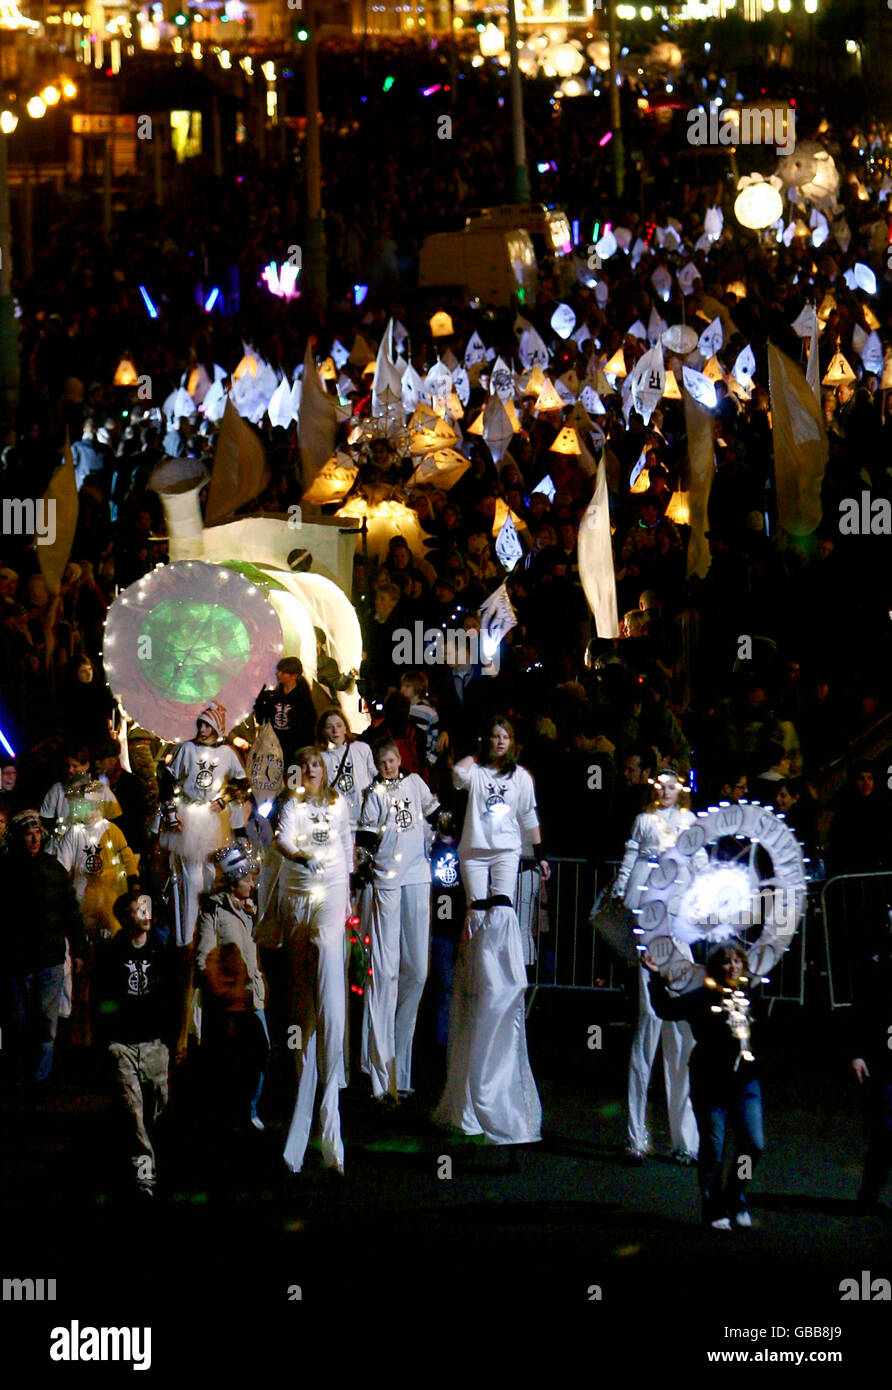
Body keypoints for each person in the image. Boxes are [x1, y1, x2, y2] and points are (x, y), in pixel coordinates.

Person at [433, 716, 548, 1146]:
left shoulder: (522, 777)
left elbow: (528, 817)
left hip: (505, 850)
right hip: (474, 850)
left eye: (504, 737)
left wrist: (538, 855)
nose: (499, 742)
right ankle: (477, 966)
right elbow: (457, 774)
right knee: (478, 913)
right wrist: (475, 749)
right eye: (493, 736)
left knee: (502, 911)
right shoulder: (477, 771)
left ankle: (501, 969)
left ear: (513, 743)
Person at [613, 765, 699, 1165]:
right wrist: (619, 891)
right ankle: (636, 1136)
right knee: (647, 1031)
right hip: (649, 929)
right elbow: (629, 864)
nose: (665, 791)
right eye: (660, 785)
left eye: (671, 786)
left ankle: (686, 1140)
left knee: (682, 1039)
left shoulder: (688, 822)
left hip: (680, 935)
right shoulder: (644, 822)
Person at [644, 945, 765, 1231]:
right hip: (710, 1081)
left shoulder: (753, 997)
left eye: (737, 961)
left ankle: (735, 1195)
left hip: (746, 1081)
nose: (733, 966)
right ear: (715, 968)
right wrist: (655, 978)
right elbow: (666, 1009)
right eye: (726, 962)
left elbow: (767, 1033)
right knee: (713, 1147)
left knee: (753, 1144)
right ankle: (713, 1208)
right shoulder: (702, 998)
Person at [273, 746, 353, 1177]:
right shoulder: (293, 805)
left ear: (325, 770)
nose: (312, 771)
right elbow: (282, 840)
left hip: (332, 893)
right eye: (305, 766)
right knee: (303, 1024)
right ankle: (300, 1142)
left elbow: (347, 842)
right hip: (296, 897)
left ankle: (333, 1136)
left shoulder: (339, 804)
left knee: (331, 1004)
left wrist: (351, 891)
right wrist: (301, 856)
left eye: (317, 765)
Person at [156, 701, 247, 1057]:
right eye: (200, 722)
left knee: (211, 895)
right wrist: (169, 811)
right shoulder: (186, 750)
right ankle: (183, 1024)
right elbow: (166, 780)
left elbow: (241, 785)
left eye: (208, 723)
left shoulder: (226, 754)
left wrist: (223, 802)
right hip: (187, 825)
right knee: (186, 912)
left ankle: (208, 1015)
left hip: (214, 830)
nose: (202, 728)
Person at [356, 739, 440, 1104]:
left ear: (399, 759)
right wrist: (360, 865)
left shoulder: (416, 783)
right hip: (387, 878)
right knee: (385, 973)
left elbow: (436, 814)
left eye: (391, 760)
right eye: (382, 762)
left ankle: (400, 1065)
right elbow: (366, 837)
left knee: (418, 971)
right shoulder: (374, 792)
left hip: (418, 876)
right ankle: (380, 1070)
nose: (388, 766)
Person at [93, 890, 171, 1197]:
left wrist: (170, 1040)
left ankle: (153, 1157)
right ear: (126, 918)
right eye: (138, 909)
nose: (145, 914)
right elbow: (99, 998)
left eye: (147, 908)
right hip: (123, 1045)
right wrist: (105, 1041)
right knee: (134, 1113)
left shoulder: (159, 953)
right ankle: (144, 1175)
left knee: (157, 1108)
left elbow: (171, 997)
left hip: (154, 1044)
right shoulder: (111, 955)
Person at [0, 809, 85, 1090]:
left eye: (37, 833)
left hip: (49, 957)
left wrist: (78, 948)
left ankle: (40, 1079)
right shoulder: (7, 869)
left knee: (46, 1023)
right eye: (28, 834)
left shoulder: (53, 869)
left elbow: (71, 911)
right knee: (18, 1021)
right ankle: (18, 1075)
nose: (34, 838)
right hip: (18, 960)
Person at [196, 843, 269, 1134]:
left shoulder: (253, 912)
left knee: (261, 1054)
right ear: (232, 880)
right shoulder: (213, 911)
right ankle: (228, 1114)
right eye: (247, 879)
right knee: (229, 1061)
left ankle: (251, 1108)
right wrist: (221, 988)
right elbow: (204, 957)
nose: (252, 884)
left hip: (255, 998)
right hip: (229, 1003)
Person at [848, 936, 892, 1212]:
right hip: (885, 1057)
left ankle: (870, 1193)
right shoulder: (878, 963)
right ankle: (870, 1193)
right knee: (886, 1129)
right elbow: (862, 1010)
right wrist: (857, 1053)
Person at [254, 657, 318, 777]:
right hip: (275, 748)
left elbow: (309, 724)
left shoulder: (302, 697)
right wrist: (260, 702)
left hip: (295, 749)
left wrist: (305, 750)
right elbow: (261, 717)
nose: (279, 674)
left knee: (293, 782)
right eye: (279, 671)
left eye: (284, 672)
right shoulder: (275, 695)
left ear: (294, 675)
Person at [317, 706, 376, 830]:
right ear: (323, 731)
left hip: (364, 817)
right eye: (329, 727)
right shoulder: (320, 757)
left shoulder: (362, 749)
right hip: (336, 821)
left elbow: (374, 777)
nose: (335, 730)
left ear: (345, 727)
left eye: (339, 725)